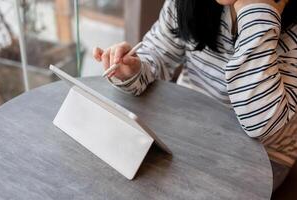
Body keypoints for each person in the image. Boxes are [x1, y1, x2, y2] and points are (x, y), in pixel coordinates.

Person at [93, 0, 297, 190]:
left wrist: (257, 14)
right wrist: (133, 71)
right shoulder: (188, 4)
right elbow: (156, 56)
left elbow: (260, 123)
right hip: (189, 130)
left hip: (263, 155)